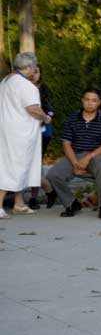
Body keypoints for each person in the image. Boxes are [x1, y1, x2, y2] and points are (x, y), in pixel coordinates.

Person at [46, 88, 101, 220]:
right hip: (75, 155)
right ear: (82, 101)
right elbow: (66, 144)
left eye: (94, 100)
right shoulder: (72, 118)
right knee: (53, 175)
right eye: (87, 100)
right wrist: (75, 163)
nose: (90, 103)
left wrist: (88, 158)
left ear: (99, 103)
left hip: (96, 156)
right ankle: (72, 204)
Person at [0, 52, 50, 219]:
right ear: (28, 68)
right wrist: (46, 117)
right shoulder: (26, 85)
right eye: (34, 67)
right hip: (19, 132)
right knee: (11, 168)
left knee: (18, 167)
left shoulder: (6, 81)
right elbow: (33, 108)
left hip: (7, 129)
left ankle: (19, 203)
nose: (34, 70)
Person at [28, 65, 56, 210]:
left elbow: (50, 109)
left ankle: (34, 197)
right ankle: (49, 190)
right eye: (31, 70)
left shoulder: (44, 89)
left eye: (37, 71)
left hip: (42, 131)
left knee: (35, 164)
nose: (33, 74)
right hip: (23, 131)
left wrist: (46, 117)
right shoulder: (21, 88)